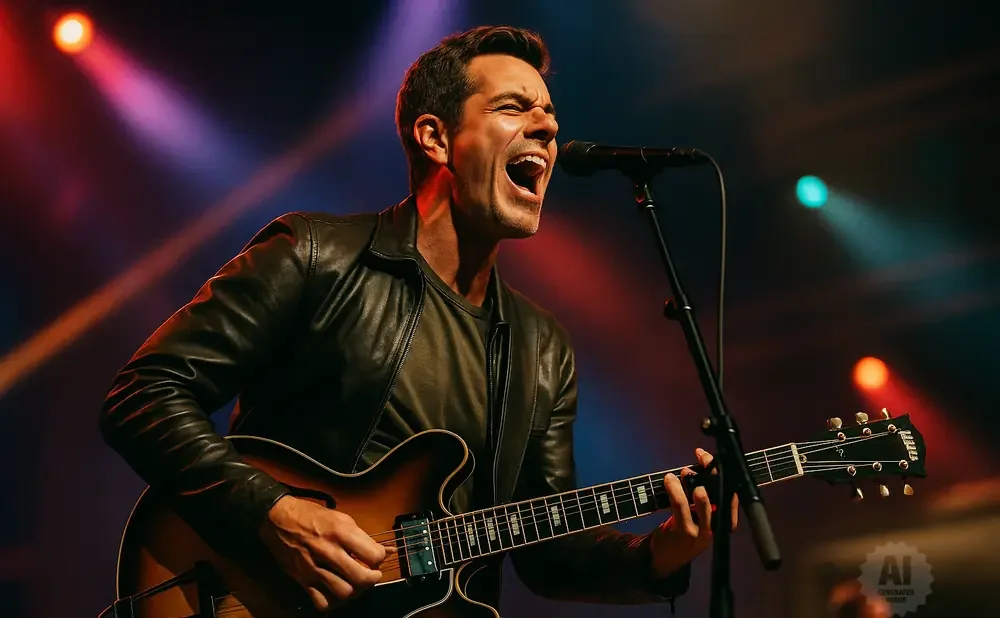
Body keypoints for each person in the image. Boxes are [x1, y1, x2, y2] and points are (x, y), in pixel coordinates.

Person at [100, 24, 737, 614]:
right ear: (436, 138)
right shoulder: (316, 255)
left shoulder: (541, 349)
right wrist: (273, 513)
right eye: (513, 107)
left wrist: (657, 555)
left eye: (549, 112)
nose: (547, 126)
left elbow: (546, 551)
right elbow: (143, 395)